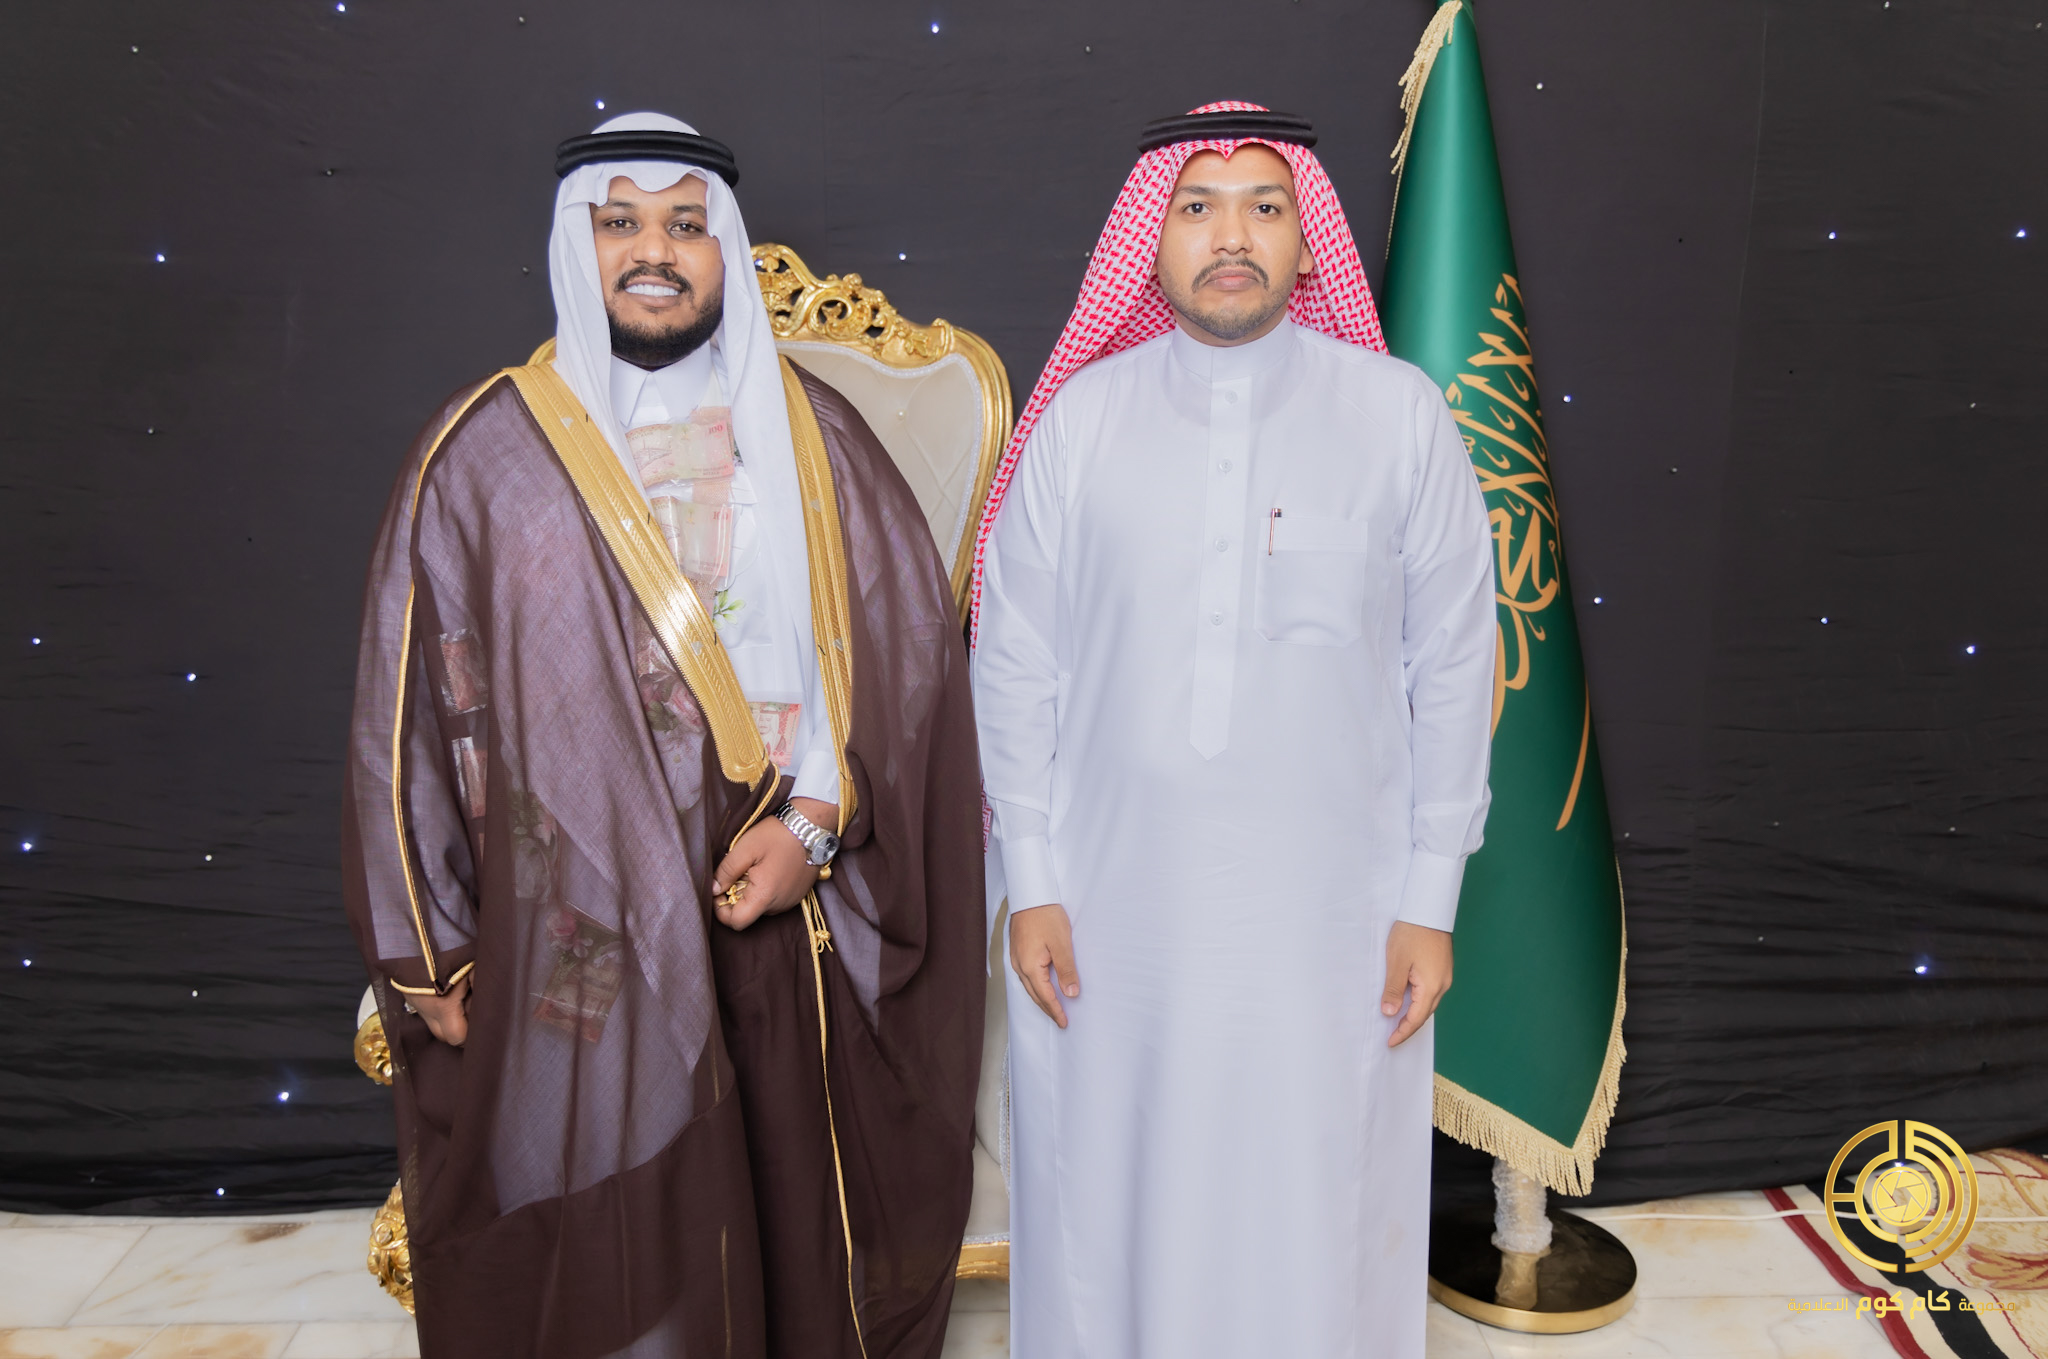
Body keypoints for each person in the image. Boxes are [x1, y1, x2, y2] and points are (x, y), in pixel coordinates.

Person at [340, 111, 984, 1359]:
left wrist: (814, 823)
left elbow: (905, 671)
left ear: (722, 248)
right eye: (618, 223)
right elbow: (406, 712)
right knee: (612, 1227)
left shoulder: (816, 441)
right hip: (569, 921)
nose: (653, 251)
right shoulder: (485, 452)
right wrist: (431, 944)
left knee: (784, 1225)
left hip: (771, 894)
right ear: (570, 245)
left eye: (684, 225)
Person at [971, 101, 1497, 1357]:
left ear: (1307, 243)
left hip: (1334, 923)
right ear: (1148, 240)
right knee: (1111, 1195)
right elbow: (1014, 660)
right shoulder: (1082, 421)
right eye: (1196, 207)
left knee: (1313, 1202)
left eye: (1264, 206)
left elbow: (1453, 663)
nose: (1231, 237)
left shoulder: (1396, 416)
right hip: (1107, 914)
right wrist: (1031, 880)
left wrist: (1428, 899)